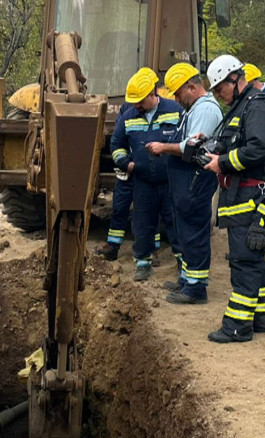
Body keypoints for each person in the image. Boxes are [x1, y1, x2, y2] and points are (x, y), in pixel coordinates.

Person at [201, 54, 265, 343]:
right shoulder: (242, 106)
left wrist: (222, 163)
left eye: (220, 89)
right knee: (253, 260)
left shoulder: (258, 106)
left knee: (244, 261)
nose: (219, 96)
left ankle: (237, 326)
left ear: (234, 79)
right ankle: (257, 318)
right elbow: (238, 142)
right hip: (243, 195)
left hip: (251, 196)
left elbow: (262, 148)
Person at [144, 62, 222, 304]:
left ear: (191, 87)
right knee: (184, 232)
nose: (176, 99)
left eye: (178, 93)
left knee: (195, 233)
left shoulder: (206, 110)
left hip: (195, 181)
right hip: (185, 183)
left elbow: (192, 145)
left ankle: (196, 288)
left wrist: (163, 147)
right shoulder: (194, 108)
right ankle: (187, 279)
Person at [110, 67, 183, 281]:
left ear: (153, 94)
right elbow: (116, 144)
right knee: (142, 223)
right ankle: (143, 263)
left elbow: (189, 139)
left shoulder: (175, 110)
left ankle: (182, 261)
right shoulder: (129, 116)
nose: (136, 105)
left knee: (175, 222)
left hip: (171, 180)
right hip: (142, 181)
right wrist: (126, 164)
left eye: (140, 100)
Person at [96, 93, 162, 264]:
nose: (137, 105)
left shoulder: (162, 109)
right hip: (128, 171)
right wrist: (126, 163)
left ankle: (152, 249)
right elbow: (119, 139)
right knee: (119, 207)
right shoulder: (127, 109)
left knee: (149, 211)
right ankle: (113, 246)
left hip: (147, 173)